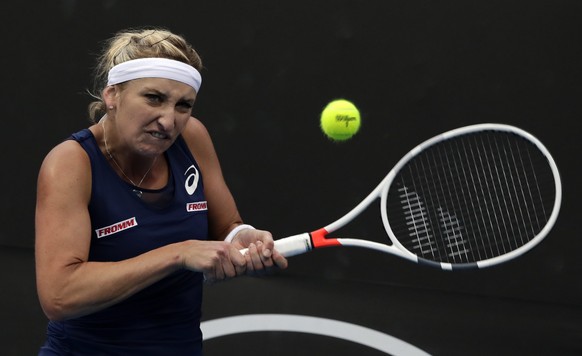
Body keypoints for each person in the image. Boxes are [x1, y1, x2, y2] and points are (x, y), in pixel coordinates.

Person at [35, 27, 288, 355]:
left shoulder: (192, 137)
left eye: (184, 105)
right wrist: (178, 254)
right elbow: (59, 295)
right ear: (112, 95)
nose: (168, 121)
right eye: (154, 98)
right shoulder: (71, 163)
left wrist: (240, 236)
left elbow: (227, 226)